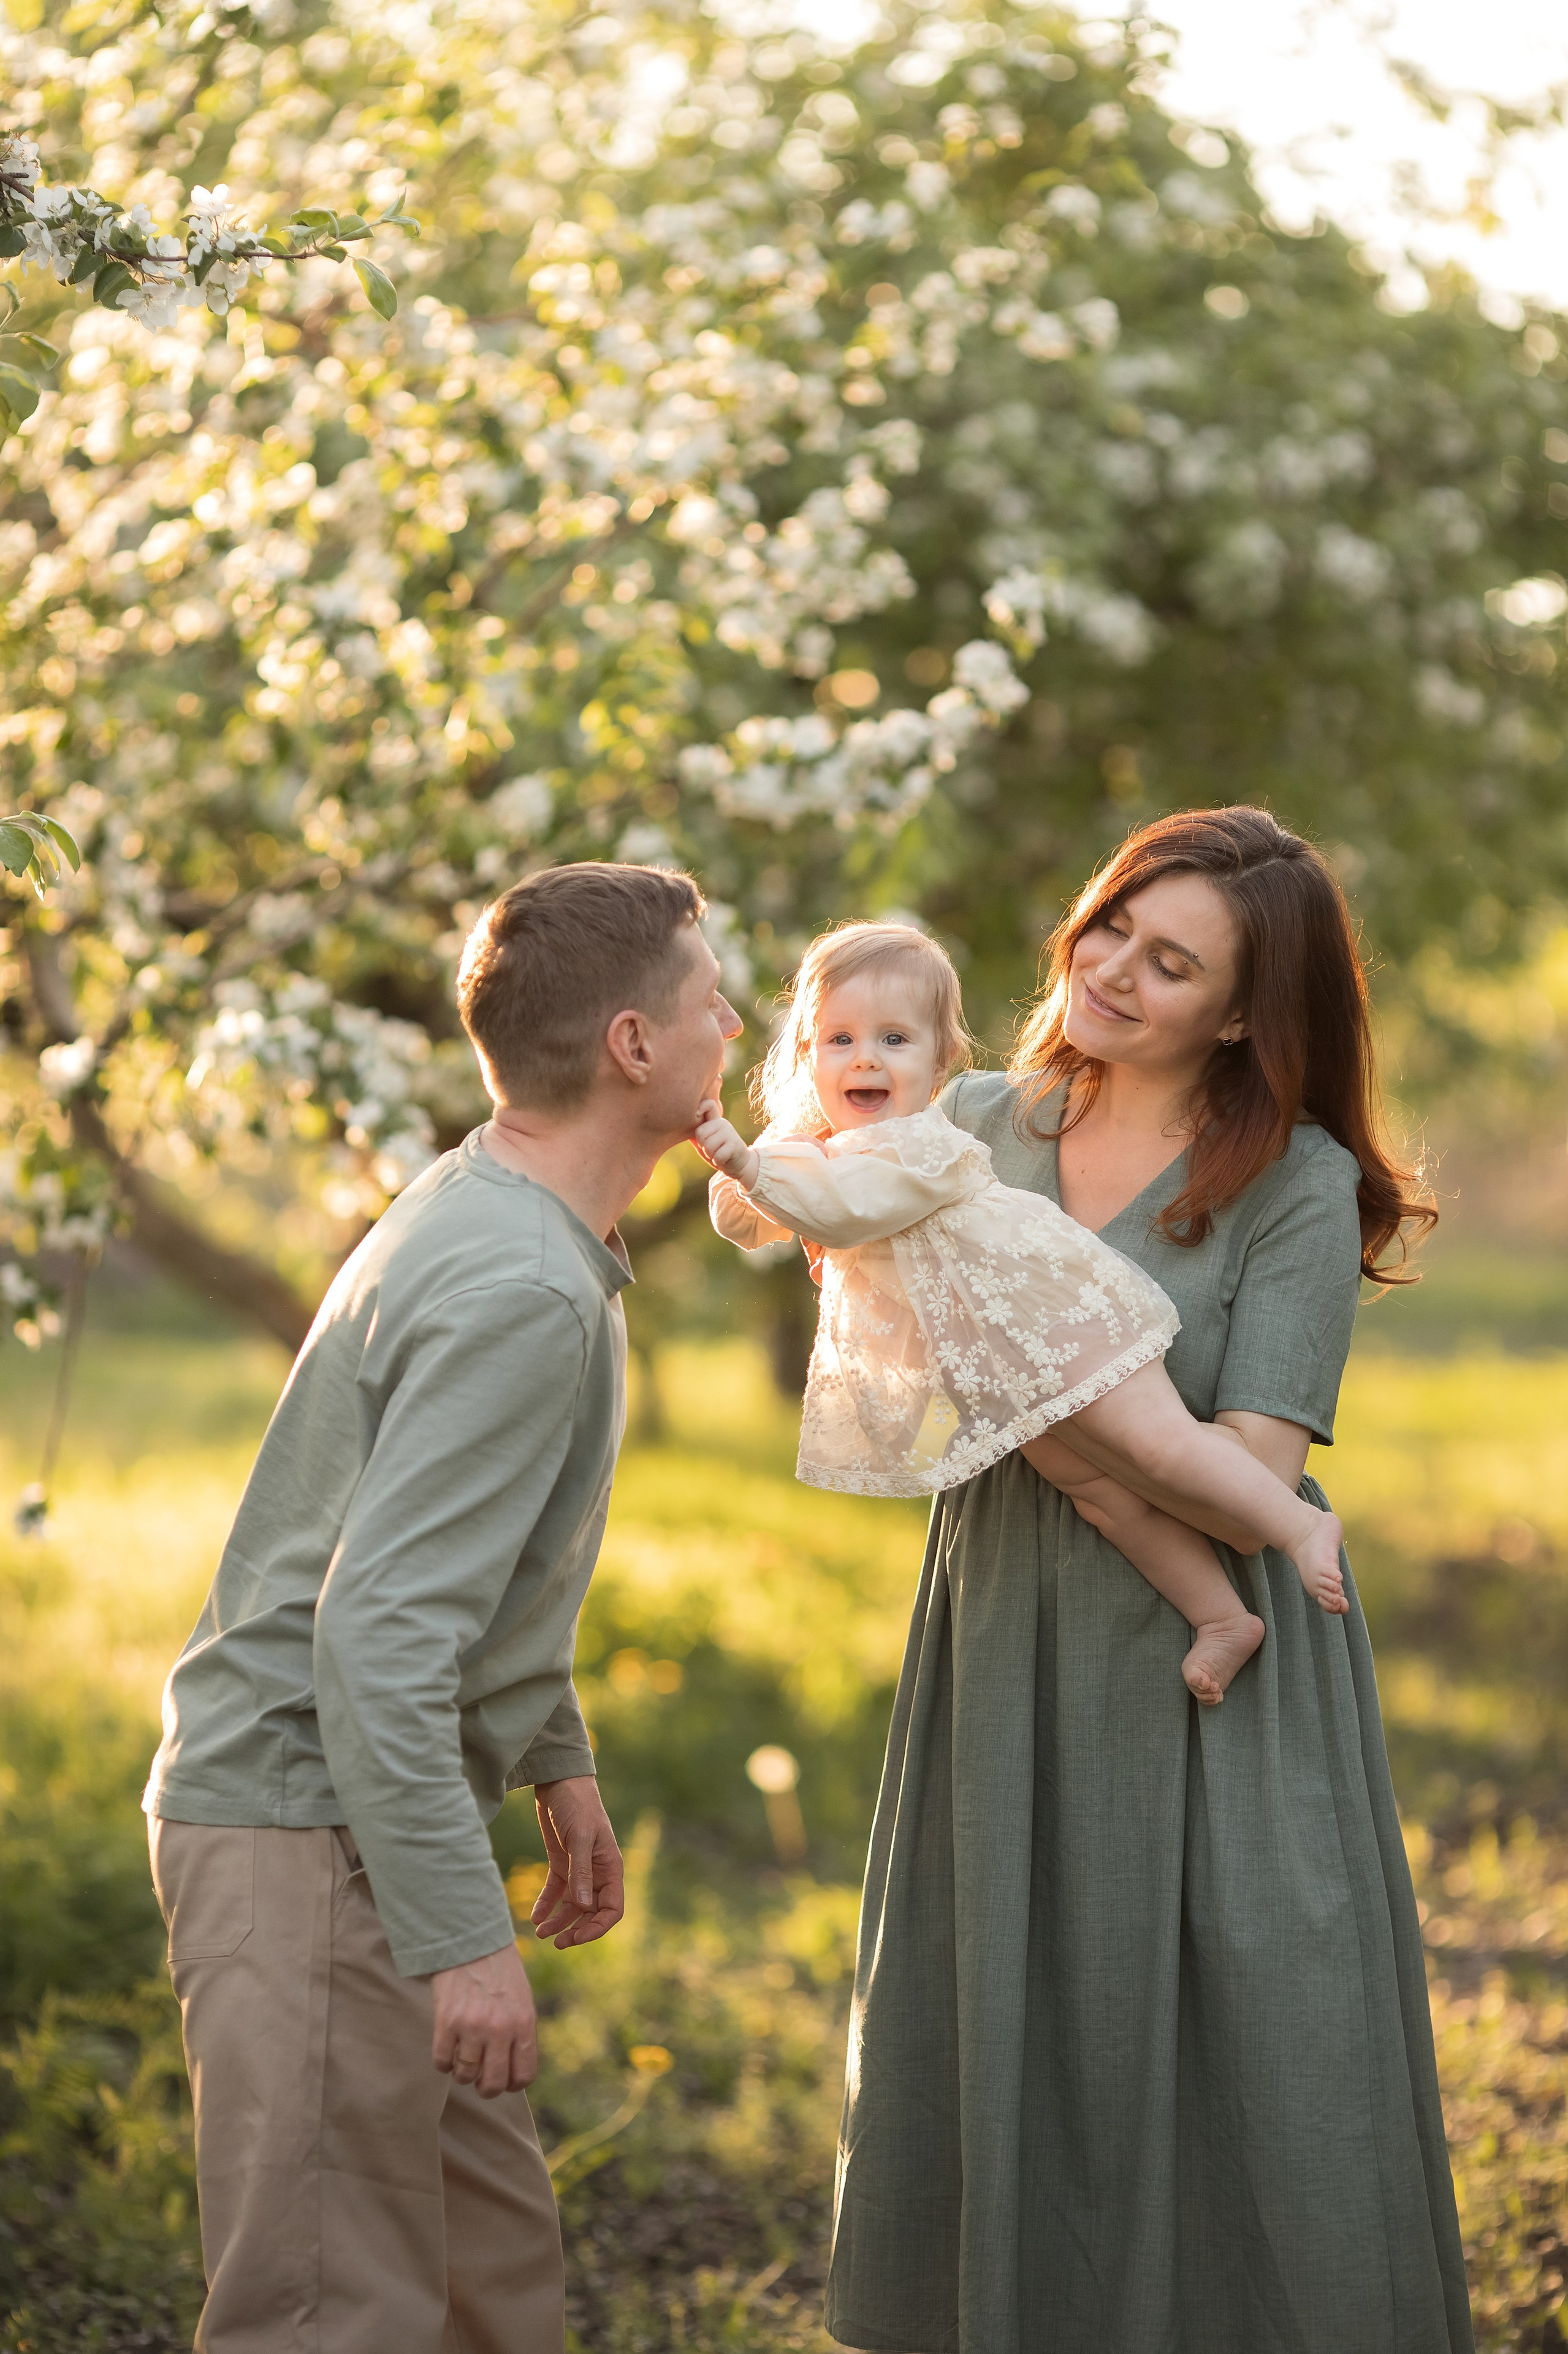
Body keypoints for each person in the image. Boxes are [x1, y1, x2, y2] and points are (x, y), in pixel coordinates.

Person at [817, 810, 1473, 2354]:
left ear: (1241, 1012)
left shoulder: (1294, 1182)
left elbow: (1244, 1462)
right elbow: (889, 1351)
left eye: (1168, 961)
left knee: (1255, 2032)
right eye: (1111, 921)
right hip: (1004, 1628)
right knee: (1015, 2005)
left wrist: (1042, 1391)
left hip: (1212, 1665)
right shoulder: (970, 1116)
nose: (1110, 967)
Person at [142, 861, 741, 2354]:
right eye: (710, 997)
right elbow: (377, 1633)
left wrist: (554, 1756)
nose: (736, 1021)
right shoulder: (520, 1285)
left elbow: (471, 1566)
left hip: (362, 1816)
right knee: (335, 2311)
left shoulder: (506, 1213)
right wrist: (463, 1933)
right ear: (631, 1045)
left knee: (488, 2288)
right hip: (302, 1827)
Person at [697, 920, 1349, 1704]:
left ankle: (1298, 1526)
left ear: (939, 1062)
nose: (865, 1057)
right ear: (806, 1054)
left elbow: (841, 1215)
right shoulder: (825, 1151)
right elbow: (751, 1223)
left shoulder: (920, 1144)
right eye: (838, 1039)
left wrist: (748, 1164)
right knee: (1101, 1492)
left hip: (1059, 1325)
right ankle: (1219, 1617)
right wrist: (736, 1174)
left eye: (894, 1039)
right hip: (1015, 1384)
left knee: (1162, 1445)